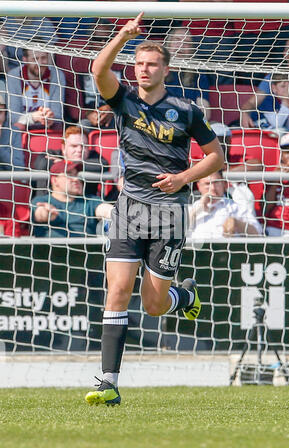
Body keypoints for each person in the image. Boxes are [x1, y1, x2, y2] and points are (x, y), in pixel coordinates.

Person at [84, 12, 224, 407]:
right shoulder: (123, 99)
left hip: (170, 212)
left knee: (153, 305)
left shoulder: (186, 109)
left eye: (151, 64)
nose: (144, 69)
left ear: (166, 68)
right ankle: (107, 383)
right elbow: (98, 69)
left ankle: (183, 297)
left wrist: (184, 178)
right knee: (118, 291)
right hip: (129, 208)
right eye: (139, 64)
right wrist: (124, 35)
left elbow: (217, 156)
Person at [31, 159, 113, 238]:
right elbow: (39, 214)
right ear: (55, 180)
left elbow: (104, 209)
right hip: (50, 250)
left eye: (77, 175)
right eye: (69, 174)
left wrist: (115, 214)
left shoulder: (90, 201)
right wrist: (47, 214)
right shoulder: (42, 200)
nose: (76, 179)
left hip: (86, 250)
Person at [33, 126, 113, 199]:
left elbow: (103, 165)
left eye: (84, 146)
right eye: (74, 146)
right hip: (52, 204)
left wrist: (69, 164)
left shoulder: (93, 156)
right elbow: (41, 163)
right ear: (64, 148)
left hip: (85, 205)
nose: (79, 150)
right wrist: (66, 164)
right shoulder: (51, 154)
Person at [187, 170, 262, 240]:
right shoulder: (191, 208)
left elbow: (258, 234)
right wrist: (198, 209)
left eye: (216, 183)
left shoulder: (235, 207)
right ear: (199, 186)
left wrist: (237, 223)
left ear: (224, 184)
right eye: (207, 184)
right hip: (197, 252)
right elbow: (178, 233)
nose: (213, 188)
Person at [5, 47, 65, 132]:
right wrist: (33, 117)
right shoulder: (14, 76)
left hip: (48, 128)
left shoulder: (57, 76)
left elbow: (58, 115)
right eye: (35, 59)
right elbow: (13, 118)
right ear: (25, 60)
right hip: (21, 130)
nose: (40, 63)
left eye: (43, 58)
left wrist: (49, 118)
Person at [164, 26, 211, 120]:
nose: (181, 45)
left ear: (191, 51)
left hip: (188, 123)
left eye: (187, 43)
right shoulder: (157, 70)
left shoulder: (198, 75)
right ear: (168, 44)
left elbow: (205, 113)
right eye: (177, 40)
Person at [264, 132, 289, 237]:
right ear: (281, 154)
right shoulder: (274, 174)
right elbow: (266, 209)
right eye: (288, 152)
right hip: (277, 226)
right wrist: (276, 180)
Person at [0, 90, 25, 170]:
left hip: (7, 180)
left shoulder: (13, 132)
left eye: (0, 112)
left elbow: (19, 168)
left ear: (5, 114)